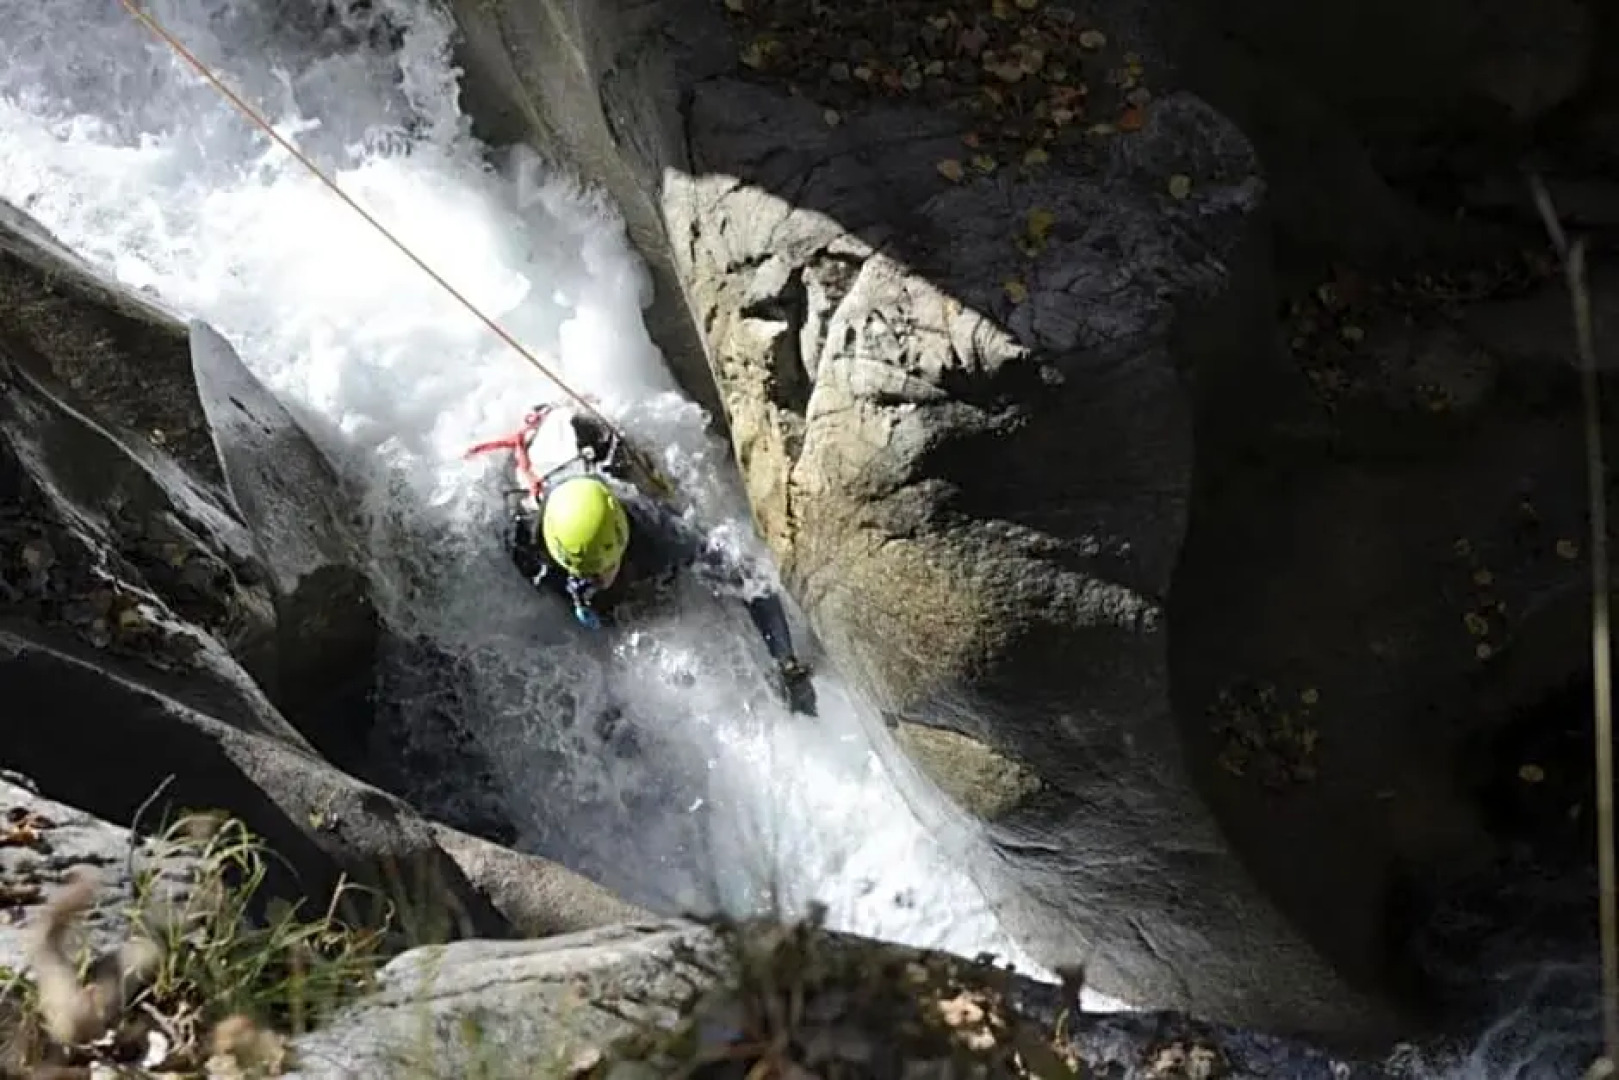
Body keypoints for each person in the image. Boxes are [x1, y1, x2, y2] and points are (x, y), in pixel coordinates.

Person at [464, 403, 818, 716]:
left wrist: (786, 662)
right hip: (554, 470)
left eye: (602, 569)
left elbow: (748, 582)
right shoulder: (527, 541)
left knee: (661, 581)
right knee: (609, 605)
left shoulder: (654, 526)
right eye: (588, 573)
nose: (596, 579)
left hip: (590, 448)